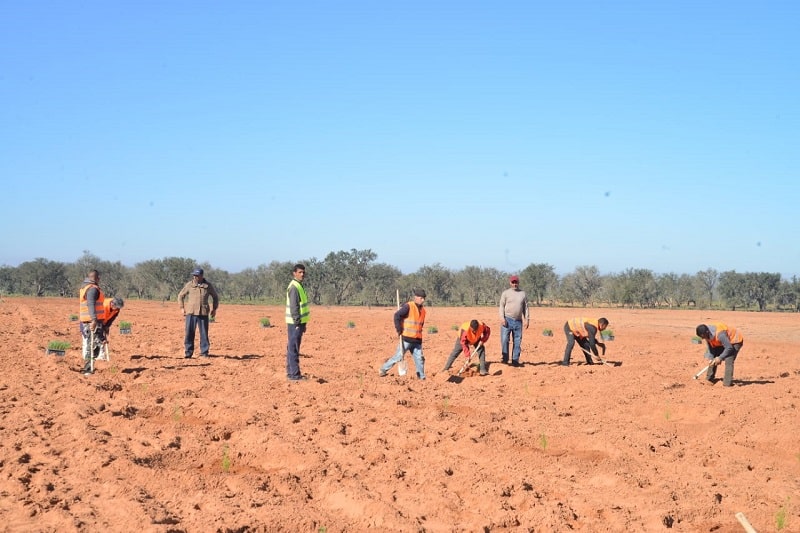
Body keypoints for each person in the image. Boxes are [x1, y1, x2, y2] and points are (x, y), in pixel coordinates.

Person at [379, 289, 428, 379]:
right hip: (406, 339)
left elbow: (420, 326)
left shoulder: (423, 311)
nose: (423, 300)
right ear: (416, 297)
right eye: (421, 298)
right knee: (398, 356)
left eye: (424, 298)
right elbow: (397, 316)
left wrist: (420, 340)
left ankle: (421, 377)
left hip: (417, 340)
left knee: (420, 359)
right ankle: (383, 369)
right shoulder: (408, 306)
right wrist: (399, 329)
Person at [178, 268, 219, 359]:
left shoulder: (208, 286)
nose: (195, 277)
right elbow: (181, 296)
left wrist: (214, 309)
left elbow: (215, 297)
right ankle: (188, 352)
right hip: (191, 313)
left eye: (197, 275)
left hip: (203, 313)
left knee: (204, 333)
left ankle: (204, 352)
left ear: (201, 276)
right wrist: (182, 308)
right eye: (194, 275)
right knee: (189, 333)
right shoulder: (190, 285)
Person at [696, 322, 744, 387]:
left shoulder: (720, 334)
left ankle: (727, 383)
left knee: (729, 359)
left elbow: (729, 348)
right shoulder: (707, 335)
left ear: (707, 332)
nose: (702, 339)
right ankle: (709, 379)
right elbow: (711, 348)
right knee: (713, 359)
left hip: (735, 340)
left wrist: (720, 358)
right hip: (725, 341)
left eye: (703, 337)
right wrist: (711, 358)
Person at [285, 263, 310, 381]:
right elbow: (294, 307)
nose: (302, 274)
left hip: (299, 323)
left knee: (292, 347)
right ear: (294, 273)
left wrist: (303, 324)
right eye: (300, 272)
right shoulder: (294, 286)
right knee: (293, 348)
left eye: (303, 272)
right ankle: (294, 375)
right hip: (295, 323)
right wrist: (297, 323)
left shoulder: (299, 285)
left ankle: (291, 372)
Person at [498, 275, 530, 366]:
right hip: (507, 319)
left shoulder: (523, 294)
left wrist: (527, 319)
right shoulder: (505, 293)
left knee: (517, 341)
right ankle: (505, 358)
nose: (515, 284)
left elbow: (526, 308)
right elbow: (501, 306)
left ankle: (515, 360)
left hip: (518, 321)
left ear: (518, 283)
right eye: (513, 282)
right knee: (504, 340)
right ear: (510, 283)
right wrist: (502, 318)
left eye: (516, 282)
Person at [78, 269, 105, 375]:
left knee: (93, 345)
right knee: (93, 345)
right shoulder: (92, 289)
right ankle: (88, 369)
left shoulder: (86, 287)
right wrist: (94, 320)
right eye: (98, 278)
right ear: (96, 278)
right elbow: (90, 304)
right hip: (91, 321)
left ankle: (89, 367)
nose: (99, 280)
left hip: (89, 321)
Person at [94, 296, 125, 361]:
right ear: (112, 304)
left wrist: (107, 326)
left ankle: (101, 355)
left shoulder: (116, 309)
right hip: (96, 321)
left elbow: (112, 318)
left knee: (101, 338)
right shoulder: (104, 306)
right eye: (116, 307)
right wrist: (102, 337)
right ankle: (94, 355)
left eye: (118, 308)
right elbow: (99, 321)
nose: (117, 309)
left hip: (103, 321)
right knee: (98, 337)